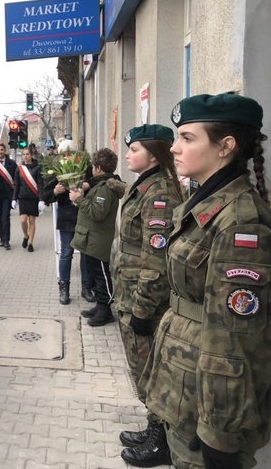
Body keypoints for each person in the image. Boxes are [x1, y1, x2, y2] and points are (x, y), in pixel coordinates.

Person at [141, 93, 271, 469]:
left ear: (225, 147)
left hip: (210, 403)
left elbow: (235, 340)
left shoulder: (241, 223)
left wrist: (220, 433)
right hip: (186, 388)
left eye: (187, 138)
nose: (174, 147)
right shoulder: (203, 203)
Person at [112, 125, 184, 468]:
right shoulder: (144, 186)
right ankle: (152, 427)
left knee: (150, 373)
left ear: (153, 154)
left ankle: (161, 441)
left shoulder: (160, 193)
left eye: (134, 149)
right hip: (129, 295)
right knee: (142, 369)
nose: (127, 155)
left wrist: (141, 308)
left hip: (143, 301)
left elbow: (156, 259)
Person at [69, 148, 125, 326]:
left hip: (98, 240)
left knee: (102, 275)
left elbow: (97, 212)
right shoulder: (100, 185)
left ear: (98, 168)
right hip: (91, 239)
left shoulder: (105, 188)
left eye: (93, 166)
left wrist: (79, 199)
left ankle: (105, 309)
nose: (91, 169)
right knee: (94, 273)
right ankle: (100, 306)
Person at [42, 139, 92, 305]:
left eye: (71, 154)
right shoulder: (55, 170)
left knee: (85, 253)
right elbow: (46, 195)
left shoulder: (85, 166)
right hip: (66, 217)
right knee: (66, 253)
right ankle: (64, 288)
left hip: (84, 215)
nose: (68, 157)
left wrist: (85, 185)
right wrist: (55, 191)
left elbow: (94, 182)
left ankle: (86, 287)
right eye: (65, 154)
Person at [12, 148, 45, 252]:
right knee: (23, 220)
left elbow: (40, 184)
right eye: (23, 154)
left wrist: (41, 199)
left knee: (32, 221)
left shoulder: (38, 168)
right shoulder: (19, 168)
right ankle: (26, 236)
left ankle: (30, 243)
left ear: (31, 155)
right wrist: (14, 199)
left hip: (33, 197)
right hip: (22, 198)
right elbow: (16, 185)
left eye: (27, 154)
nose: (25, 156)